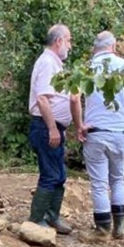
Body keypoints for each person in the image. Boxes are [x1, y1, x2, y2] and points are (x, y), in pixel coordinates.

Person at [79, 31, 124, 239]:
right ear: (113, 47)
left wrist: (80, 125)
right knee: (118, 179)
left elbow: (72, 99)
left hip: (95, 132)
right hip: (120, 131)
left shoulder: (87, 68)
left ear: (95, 48)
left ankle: (103, 228)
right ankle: (120, 226)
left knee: (99, 182)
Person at [28, 24, 82, 234]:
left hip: (52, 127)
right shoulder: (48, 63)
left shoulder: (55, 64)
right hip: (45, 127)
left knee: (59, 173)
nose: (70, 45)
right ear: (59, 41)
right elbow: (42, 99)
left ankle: (52, 216)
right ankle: (36, 219)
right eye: (68, 40)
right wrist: (52, 129)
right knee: (50, 174)